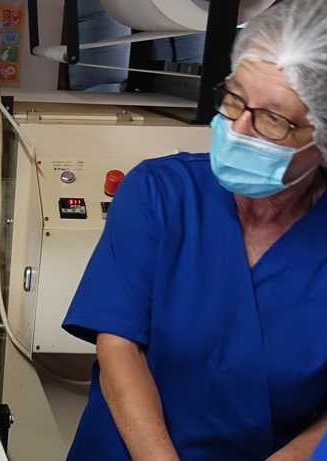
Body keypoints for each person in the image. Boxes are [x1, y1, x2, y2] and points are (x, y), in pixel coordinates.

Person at [62, 1, 327, 460]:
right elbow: (119, 347)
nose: (239, 128)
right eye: (234, 99)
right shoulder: (161, 192)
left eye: (273, 119)